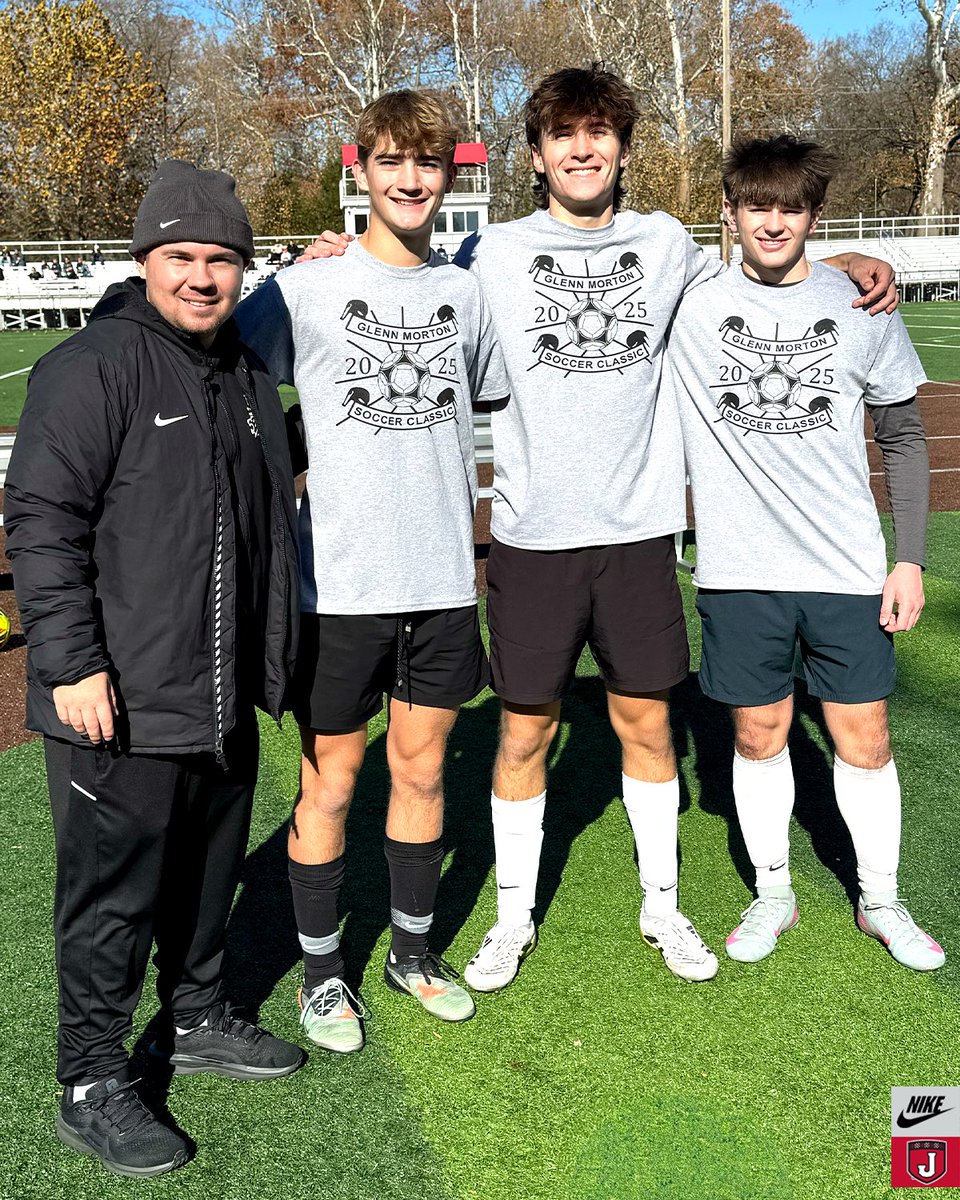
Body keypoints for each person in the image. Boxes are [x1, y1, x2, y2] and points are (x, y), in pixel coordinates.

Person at [301, 65, 898, 993]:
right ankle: (509, 919)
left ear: (621, 148)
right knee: (524, 734)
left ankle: (663, 905)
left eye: (600, 134)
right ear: (536, 155)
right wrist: (321, 253)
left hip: (639, 536)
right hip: (535, 539)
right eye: (564, 136)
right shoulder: (489, 253)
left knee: (645, 723)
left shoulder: (667, 245)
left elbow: (772, 268)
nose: (583, 150)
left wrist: (855, 266)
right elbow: (398, 272)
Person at [4, 160, 305, 1179]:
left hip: (217, 695)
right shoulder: (93, 367)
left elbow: (262, 530)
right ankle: (91, 1079)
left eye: (224, 259)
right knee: (112, 898)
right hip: (116, 701)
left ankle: (199, 1017)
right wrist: (71, 663)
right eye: (182, 256)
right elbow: (41, 524)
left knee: (207, 877)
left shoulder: (250, 381)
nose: (204, 277)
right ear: (145, 262)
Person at [235, 90, 509, 1053]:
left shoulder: (467, 294)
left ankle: (411, 955)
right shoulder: (304, 288)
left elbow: (488, 397)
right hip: (337, 590)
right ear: (361, 170)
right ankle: (320, 976)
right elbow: (214, 351)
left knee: (423, 772)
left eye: (428, 164)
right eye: (392, 161)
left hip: (438, 584)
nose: (409, 179)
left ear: (448, 176)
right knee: (332, 784)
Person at [665, 134, 942, 971]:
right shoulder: (691, 302)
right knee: (758, 734)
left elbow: (902, 437)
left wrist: (911, 558)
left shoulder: (863, 309)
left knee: (865, 735)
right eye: (758, 206)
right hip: (740, 574)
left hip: (849, 568)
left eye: (791, 208)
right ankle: (774, 893)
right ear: (730, 211)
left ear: (814, 216)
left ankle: (882, 898)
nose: (773, 222)